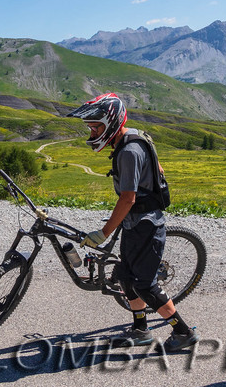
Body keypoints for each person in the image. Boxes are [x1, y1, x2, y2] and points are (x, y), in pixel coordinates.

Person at [65, 92, 199, 354]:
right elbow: (158, 169)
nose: (92, 132)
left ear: (112, 123)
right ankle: (140, 330)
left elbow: (127, 198)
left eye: (96, 127)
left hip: (146, 226)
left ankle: (183, 332)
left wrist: (104, 232)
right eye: (91, 127)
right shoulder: (134, 136)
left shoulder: (128, 152)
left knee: (144, 285)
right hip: (134, 223)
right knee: (126, 277)